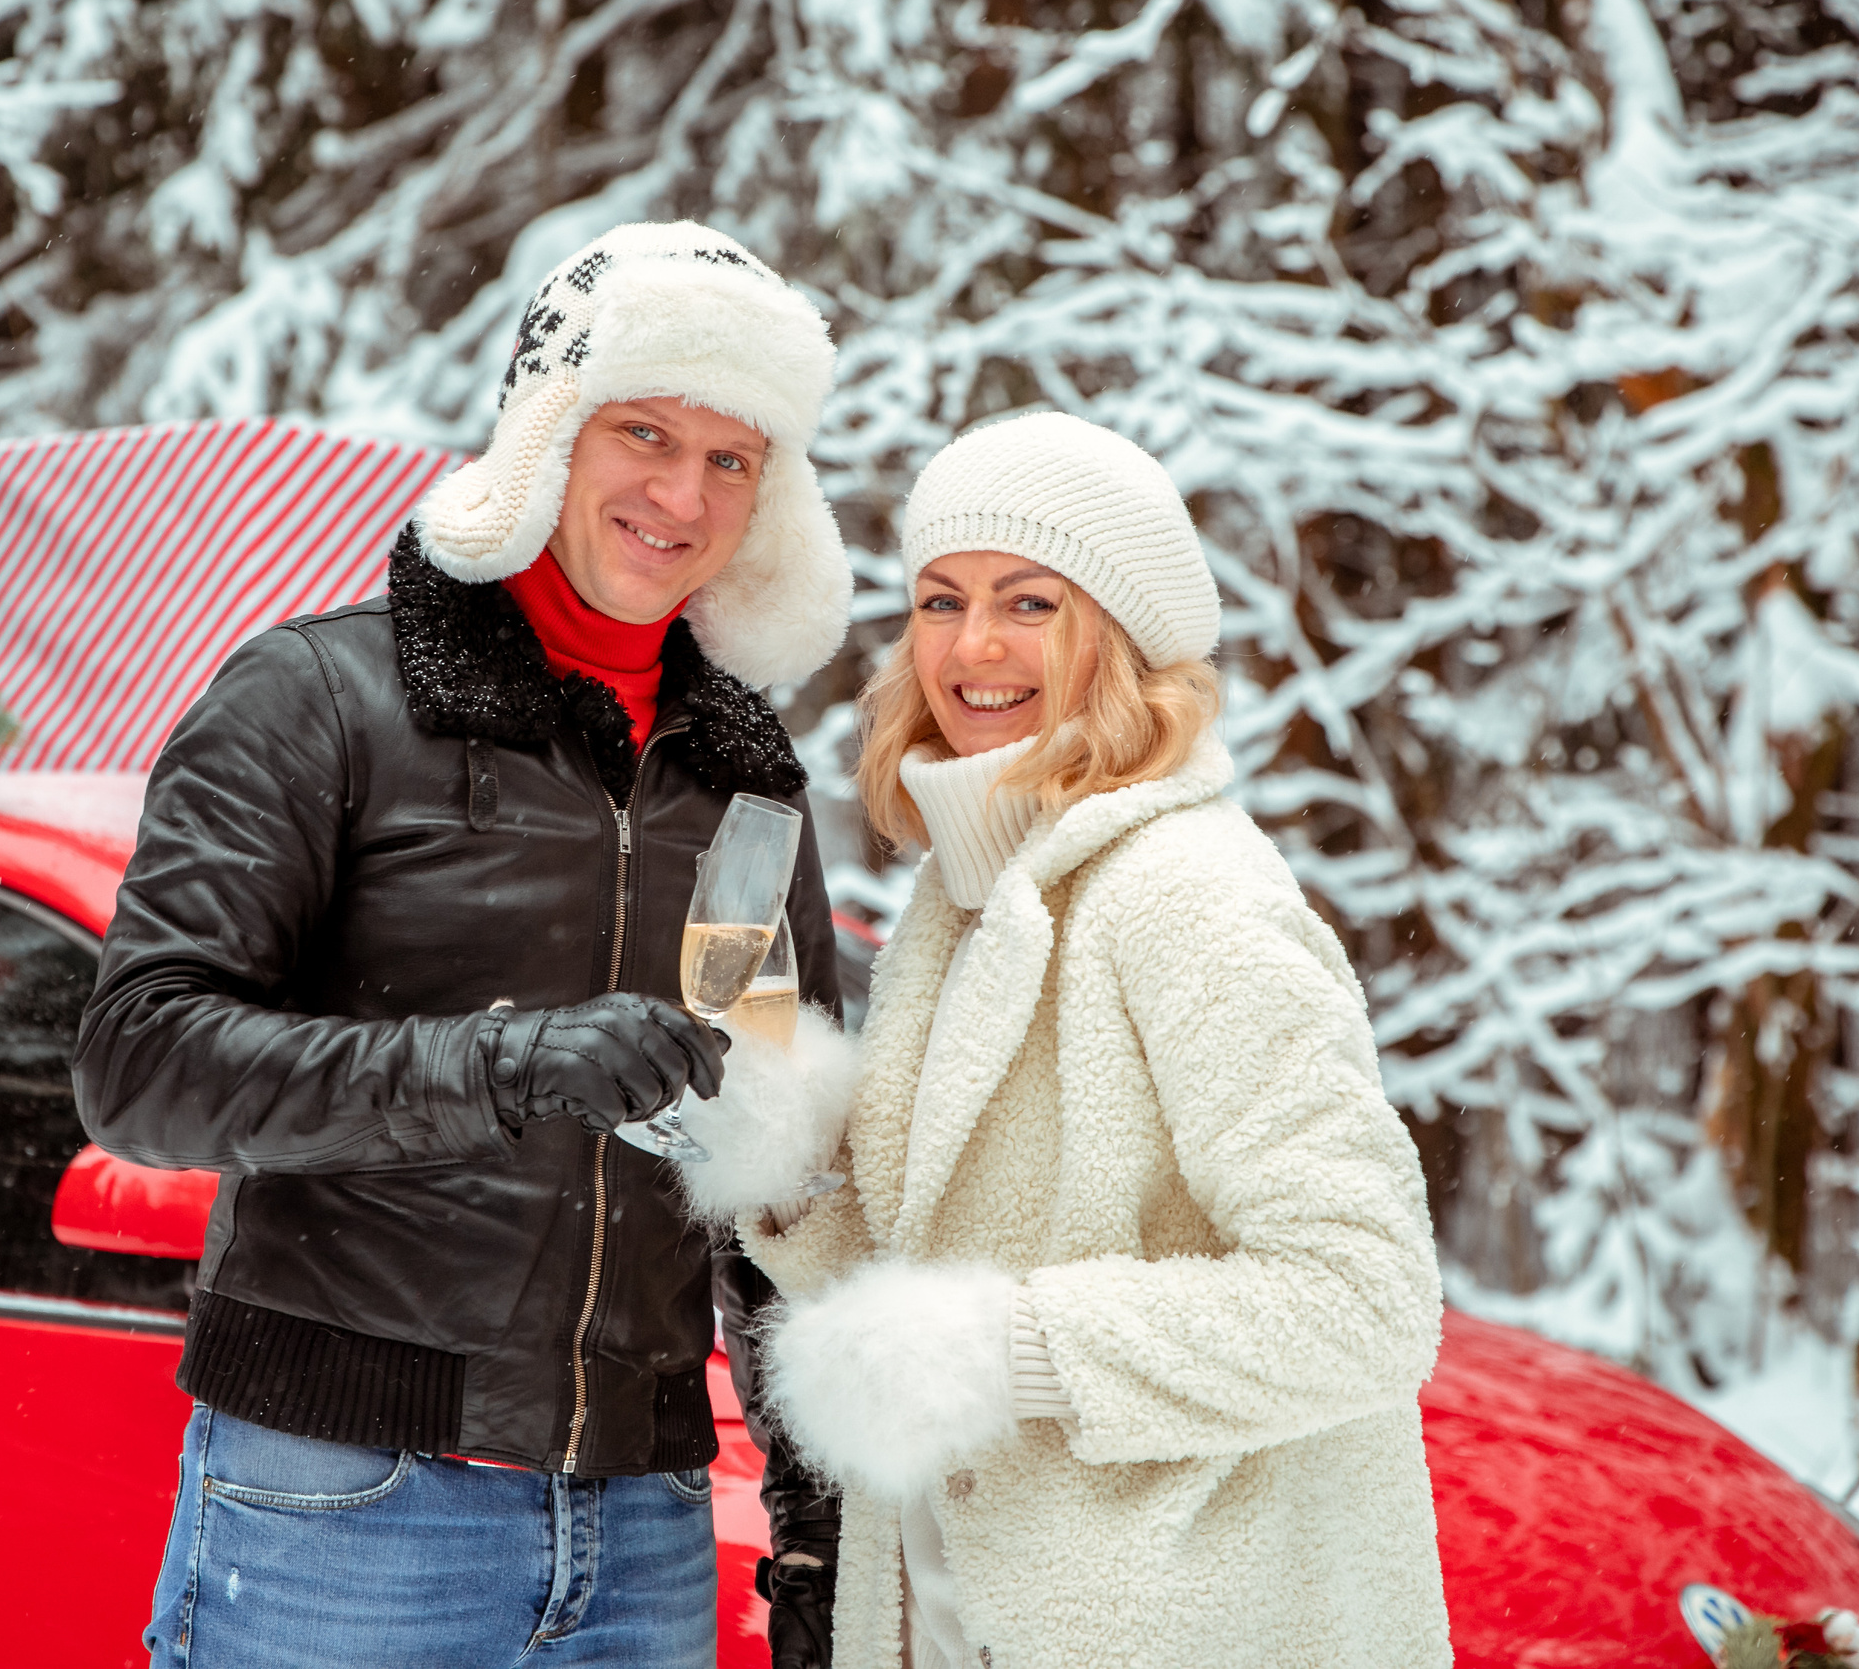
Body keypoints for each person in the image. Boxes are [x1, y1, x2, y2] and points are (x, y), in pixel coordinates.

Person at [74, 220, 851, 1668]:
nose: (682, 493)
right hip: (343, 1497)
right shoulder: (318, 695)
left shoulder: (747, 771)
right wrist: (509, 1062)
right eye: (647, 431)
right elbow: (141, 1063)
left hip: (645, 1519)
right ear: (550, 428)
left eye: (732, 458)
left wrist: (814, 1520)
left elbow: (776, 1171)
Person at [688, 412, 1450, 1667]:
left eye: (1028, 603)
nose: (972, 648)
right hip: (949, 1618)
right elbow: (927, 1285)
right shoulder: (963, 892)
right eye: (939, 601)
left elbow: (1366, 1302)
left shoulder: (1188, 892)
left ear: (1120, 634)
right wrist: (785, 1148)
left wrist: (1007, 1348)